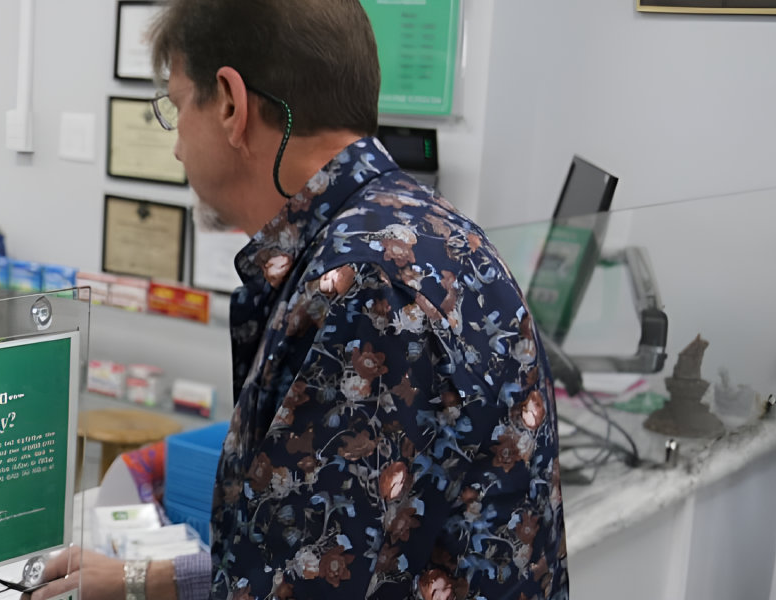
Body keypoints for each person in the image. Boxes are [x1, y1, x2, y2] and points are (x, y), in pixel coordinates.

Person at [32, 1, 569, 598]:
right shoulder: (426, 230)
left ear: (231, 105)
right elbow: (314, 549)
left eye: (178, 106)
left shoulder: (364, 291)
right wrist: (141, 581)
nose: (178, 145)